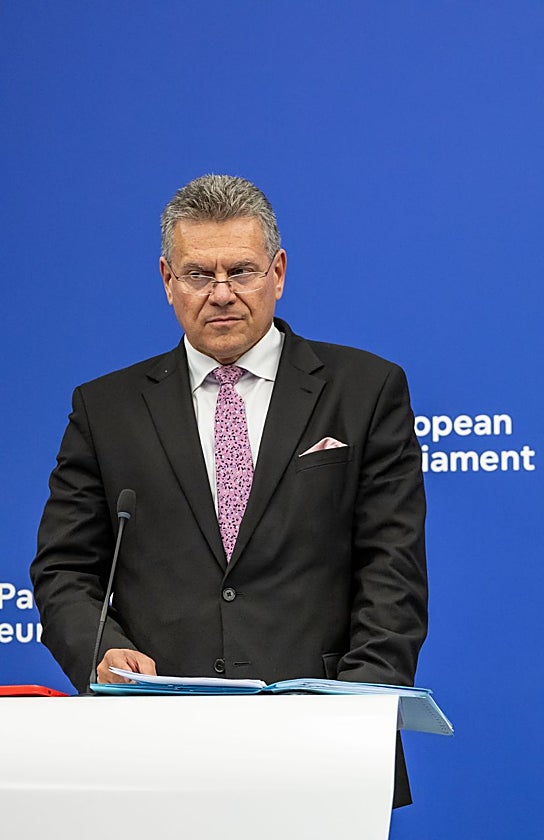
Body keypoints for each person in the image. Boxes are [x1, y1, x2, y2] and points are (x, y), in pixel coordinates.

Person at [30, 174, 428, 807]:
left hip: (324, 744)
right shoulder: (105, 409)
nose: (221, 294)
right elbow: (65, 569)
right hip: (149, 745)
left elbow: (392, 569)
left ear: (278, 272)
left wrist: (357, 708)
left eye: (240, 271)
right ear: (167, 279)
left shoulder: (365, 390)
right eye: (198, 274)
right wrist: (104, 653)